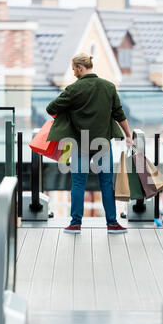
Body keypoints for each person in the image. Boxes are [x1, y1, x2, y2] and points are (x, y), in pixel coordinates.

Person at [46, 53, 133, 234]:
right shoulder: (109, 87)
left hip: (80, 142)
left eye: (74, 70)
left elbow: (51, 108)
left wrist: (69, 113)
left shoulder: (73, 89)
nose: (74, 73)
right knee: (106, 183)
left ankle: (76, 223)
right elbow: (119, 113)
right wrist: (128, 134)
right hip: (103, 143)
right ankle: (112, 223)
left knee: (78, 184)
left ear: (80, 67)